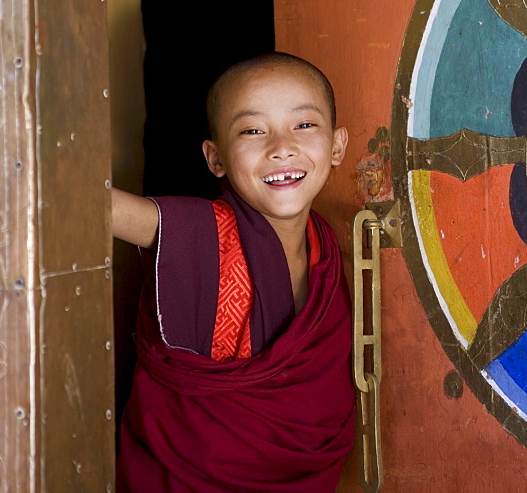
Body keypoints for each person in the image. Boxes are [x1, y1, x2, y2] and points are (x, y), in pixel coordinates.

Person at [111, 52, 354, 491]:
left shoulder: (325, 245)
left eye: (303, 125)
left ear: (337, 146)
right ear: (215, 157)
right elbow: (89, 205)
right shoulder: (204, 233)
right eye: (252, 130)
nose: (281, 146)